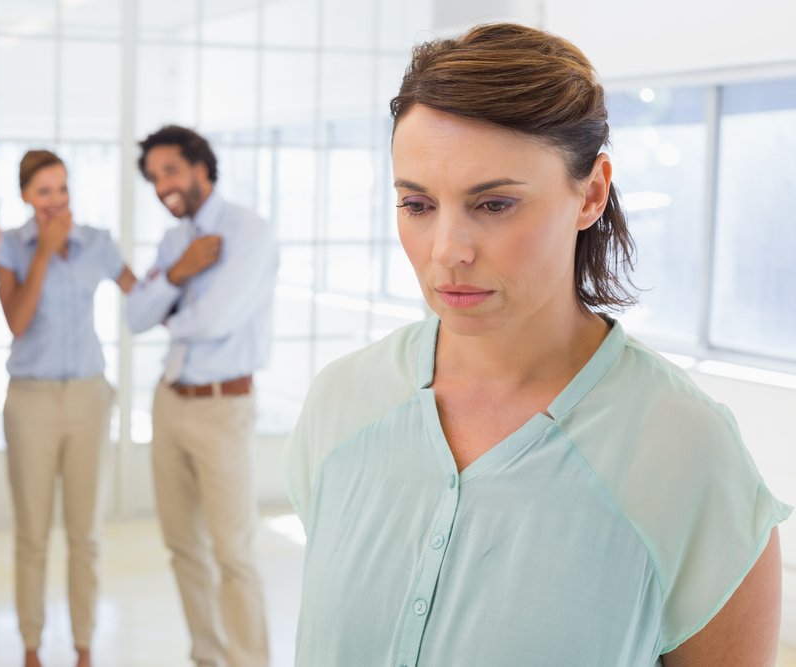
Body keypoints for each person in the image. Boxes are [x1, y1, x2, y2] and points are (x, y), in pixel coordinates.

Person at [284, 22, 791, 667]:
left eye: (493, 205)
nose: (447, 252)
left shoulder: (687, 452)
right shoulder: (342, 402)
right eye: (418, 204)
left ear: (592, 193)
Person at [125, 125, 277, 667]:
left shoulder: (249, 232)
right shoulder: (174, 243)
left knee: (233, 551)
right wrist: (177, 275)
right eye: (152, 178)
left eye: (168, 170)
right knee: (184, 548)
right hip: (169, 402)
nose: (161, 184)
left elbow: (216, 320)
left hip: (223, 407)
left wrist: (166, 307)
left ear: (199, 166)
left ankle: (248, 661)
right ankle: (208, 658)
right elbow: (133, 315)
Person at [0, 149, 135, 667]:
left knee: (86, 533)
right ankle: (31, 648)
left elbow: (140, 295)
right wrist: (43, 253)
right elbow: (16, 321)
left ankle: (83, 648)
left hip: (88, 398)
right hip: (30, 400)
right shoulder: (11, 247)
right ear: (26, 197)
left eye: (62, 189)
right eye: (43, 191)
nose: (56, 201)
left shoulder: (97, 243)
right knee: (32, 533)